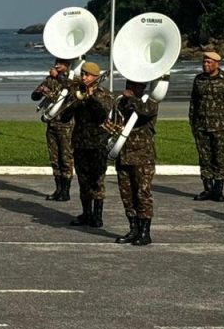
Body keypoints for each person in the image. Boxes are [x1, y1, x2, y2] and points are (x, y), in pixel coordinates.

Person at [59, 61, 113, 228]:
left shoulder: (104, 95)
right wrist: (75, 101)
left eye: (87, 75)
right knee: (83, 181)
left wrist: (89, 98)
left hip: (98, 144)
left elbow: (101, 116)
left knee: (97, 180)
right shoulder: (76, 93)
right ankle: (86, 213)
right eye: (82, 74)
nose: (83, 77)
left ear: (96, 77)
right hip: (80, 143)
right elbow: (64, 117)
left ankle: (97, 216)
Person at [189, 51, 224, 202]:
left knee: (218, 157)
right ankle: (208, 188)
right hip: (201, 126)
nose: (206, 65)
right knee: (204, 158)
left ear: (217, 64)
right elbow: (194, 103)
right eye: (204, 62)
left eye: (209, 62)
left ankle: (218, 189)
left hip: (220, 126)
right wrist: (192, 123)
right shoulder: (199, 80)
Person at [113, 80, 158, 246]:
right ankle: (133, 228)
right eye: (129, 85)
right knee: (127, 195)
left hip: (142, 156)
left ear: (143, 87)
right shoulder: (121, 102)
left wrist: (131, 98)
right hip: (123, 154)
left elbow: (143, 112)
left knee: (142, 194)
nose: (130, 89)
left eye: (135, 86)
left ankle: (145, 232)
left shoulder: (151, 103)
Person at [31, 58, 75, 201]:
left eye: (60, 63)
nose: (57, 65)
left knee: (66, 158)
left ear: (67, 65)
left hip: (66, 125)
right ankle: (58, 189)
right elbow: (34, 96)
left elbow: (73, 89)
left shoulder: (73, 79)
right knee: (54, 158)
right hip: (52, 123)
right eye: (56, 63)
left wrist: (59, 76)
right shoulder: (50, 79)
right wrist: (41, 91)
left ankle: (66, 191)